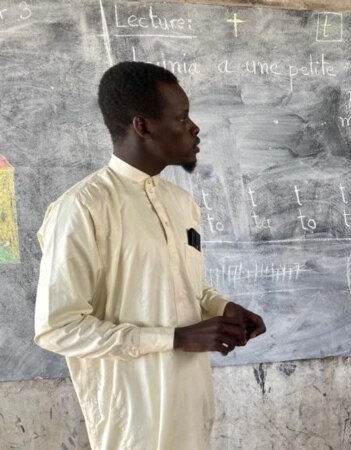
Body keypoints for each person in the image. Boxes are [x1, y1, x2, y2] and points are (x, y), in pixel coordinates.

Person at [33, 61, 266, 450]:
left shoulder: (181, 203)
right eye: (182, 118)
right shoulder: (82, 208)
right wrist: (173, 338)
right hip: (133, 418)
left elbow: (188, 284)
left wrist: (223, 308)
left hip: (191, 402)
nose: (194, 129)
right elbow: (58, 327)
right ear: (143, 126)